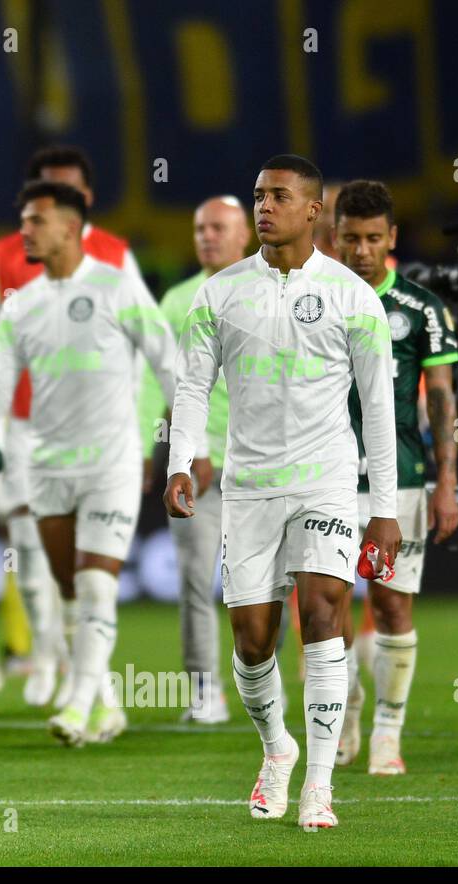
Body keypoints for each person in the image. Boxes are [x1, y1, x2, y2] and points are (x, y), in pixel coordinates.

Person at [165, 155, 401, 831]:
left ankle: (319, 786)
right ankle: (278, 750)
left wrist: (382, 509)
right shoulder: (221, 293)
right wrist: (180, 461)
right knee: (252, 641)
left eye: (279, 196)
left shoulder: (354, 298)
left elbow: (378, 407)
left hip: (326, 482)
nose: (264, 207)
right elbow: (191, 386)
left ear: (312, 210)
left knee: (323, 614)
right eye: (259, 196)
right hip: (249, 487)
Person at [0, 180, 177, 747]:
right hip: (46, 467)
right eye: (23, 220)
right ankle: (108, 705)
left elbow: (169, 365)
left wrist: (183, 449)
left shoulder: (118, 288)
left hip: (110, 465)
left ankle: (77, 703)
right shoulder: (23, 305)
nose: (25, 230)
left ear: (70, 227)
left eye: (36, 221)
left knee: (94, 587)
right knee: (71, 591)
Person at [332, 179, 458, 774]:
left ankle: (387, 732)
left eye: (373, 239)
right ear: (335, 236)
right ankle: (346, 711)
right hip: (324, 479)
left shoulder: (422, 309)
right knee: (325, 608)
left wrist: (445, 482)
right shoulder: (314, 299)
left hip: (400, 480)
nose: (361, 250)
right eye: (351, 238)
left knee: (390, 606)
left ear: (392, 238)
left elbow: (439, 397)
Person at [140, 196, 252, 723]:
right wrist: (150, 449)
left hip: (264, 464)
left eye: (218, 228)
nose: (206, 236)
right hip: (198, 466)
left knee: (266, 584)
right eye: (199, 227)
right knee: (193, 577)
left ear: (244, 234)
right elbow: (154, 384)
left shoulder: (268, 290)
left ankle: (261, 678)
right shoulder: (175, 300)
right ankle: (205, 690)